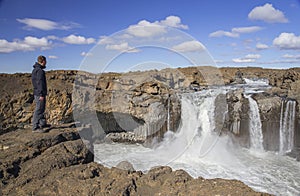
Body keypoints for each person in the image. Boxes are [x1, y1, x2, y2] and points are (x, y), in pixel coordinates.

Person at [31, 55, 50, 132]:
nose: (46, 63)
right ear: (43, 61)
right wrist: (41, 94)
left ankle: (41, 124)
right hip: (39, 93)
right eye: (46, 61)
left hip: (37, 93)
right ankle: (35, 127)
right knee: (39, 109)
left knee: (41, 109)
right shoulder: (39, 71)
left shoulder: (36, 69)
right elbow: (40, 83)